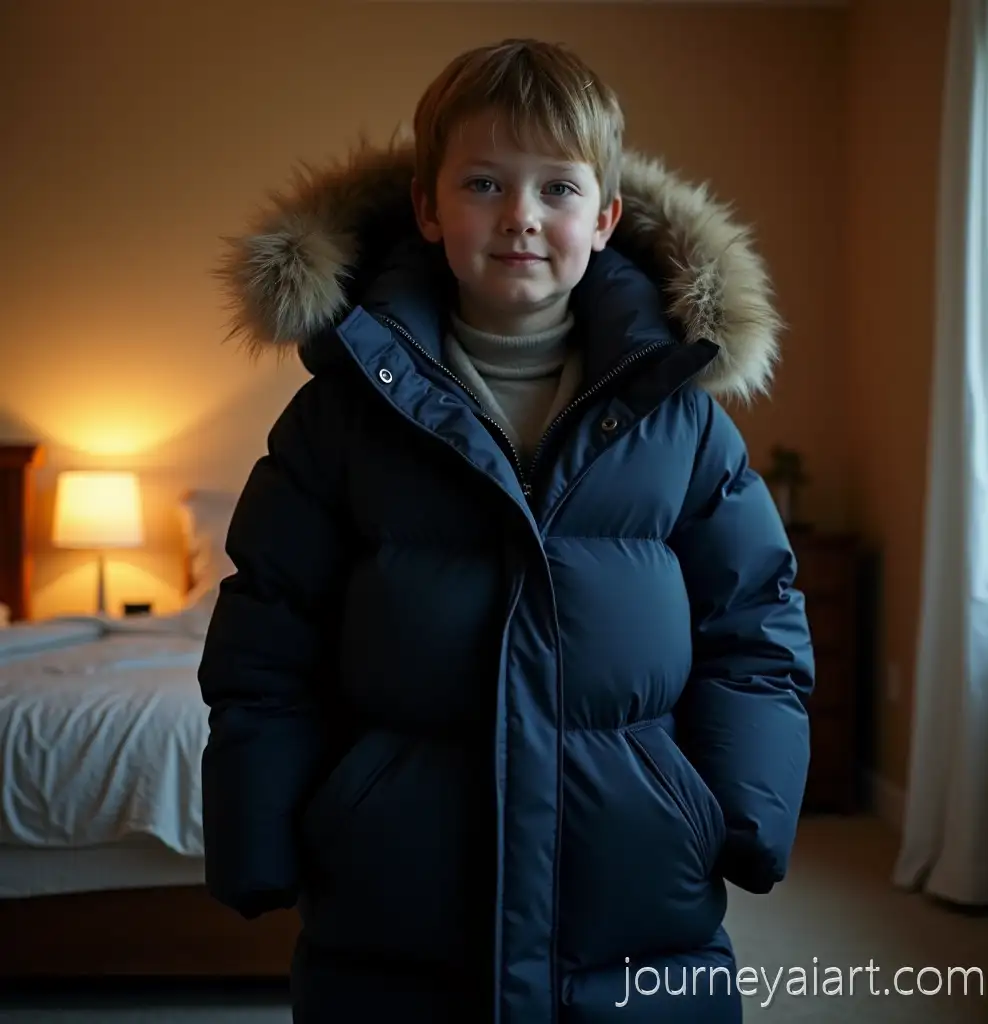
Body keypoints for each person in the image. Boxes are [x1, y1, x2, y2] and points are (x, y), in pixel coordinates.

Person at [198, 37, 814, 1024]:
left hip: (631, 890)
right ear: (428, 208)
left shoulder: (681, 420)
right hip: (396, 890)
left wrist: (736, 810)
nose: (521, 215)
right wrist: (261, 829)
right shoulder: (341, 418)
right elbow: (267, 637)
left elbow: (755, 625)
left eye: (557, 189)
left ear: (604, 218)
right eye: (484, 183)